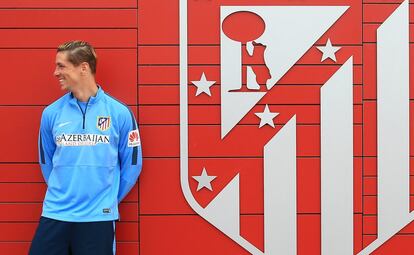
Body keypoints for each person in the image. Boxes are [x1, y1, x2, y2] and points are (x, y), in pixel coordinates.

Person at [29, 41, 142, 255]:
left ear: (83, 68)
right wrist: (65, 192)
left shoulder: (119, 113)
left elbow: (133, 164)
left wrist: (107, 199)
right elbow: (46, 161)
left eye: (61, 66)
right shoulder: (51, 113)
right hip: (56, 213)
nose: (55, 72)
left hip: (98, 217)